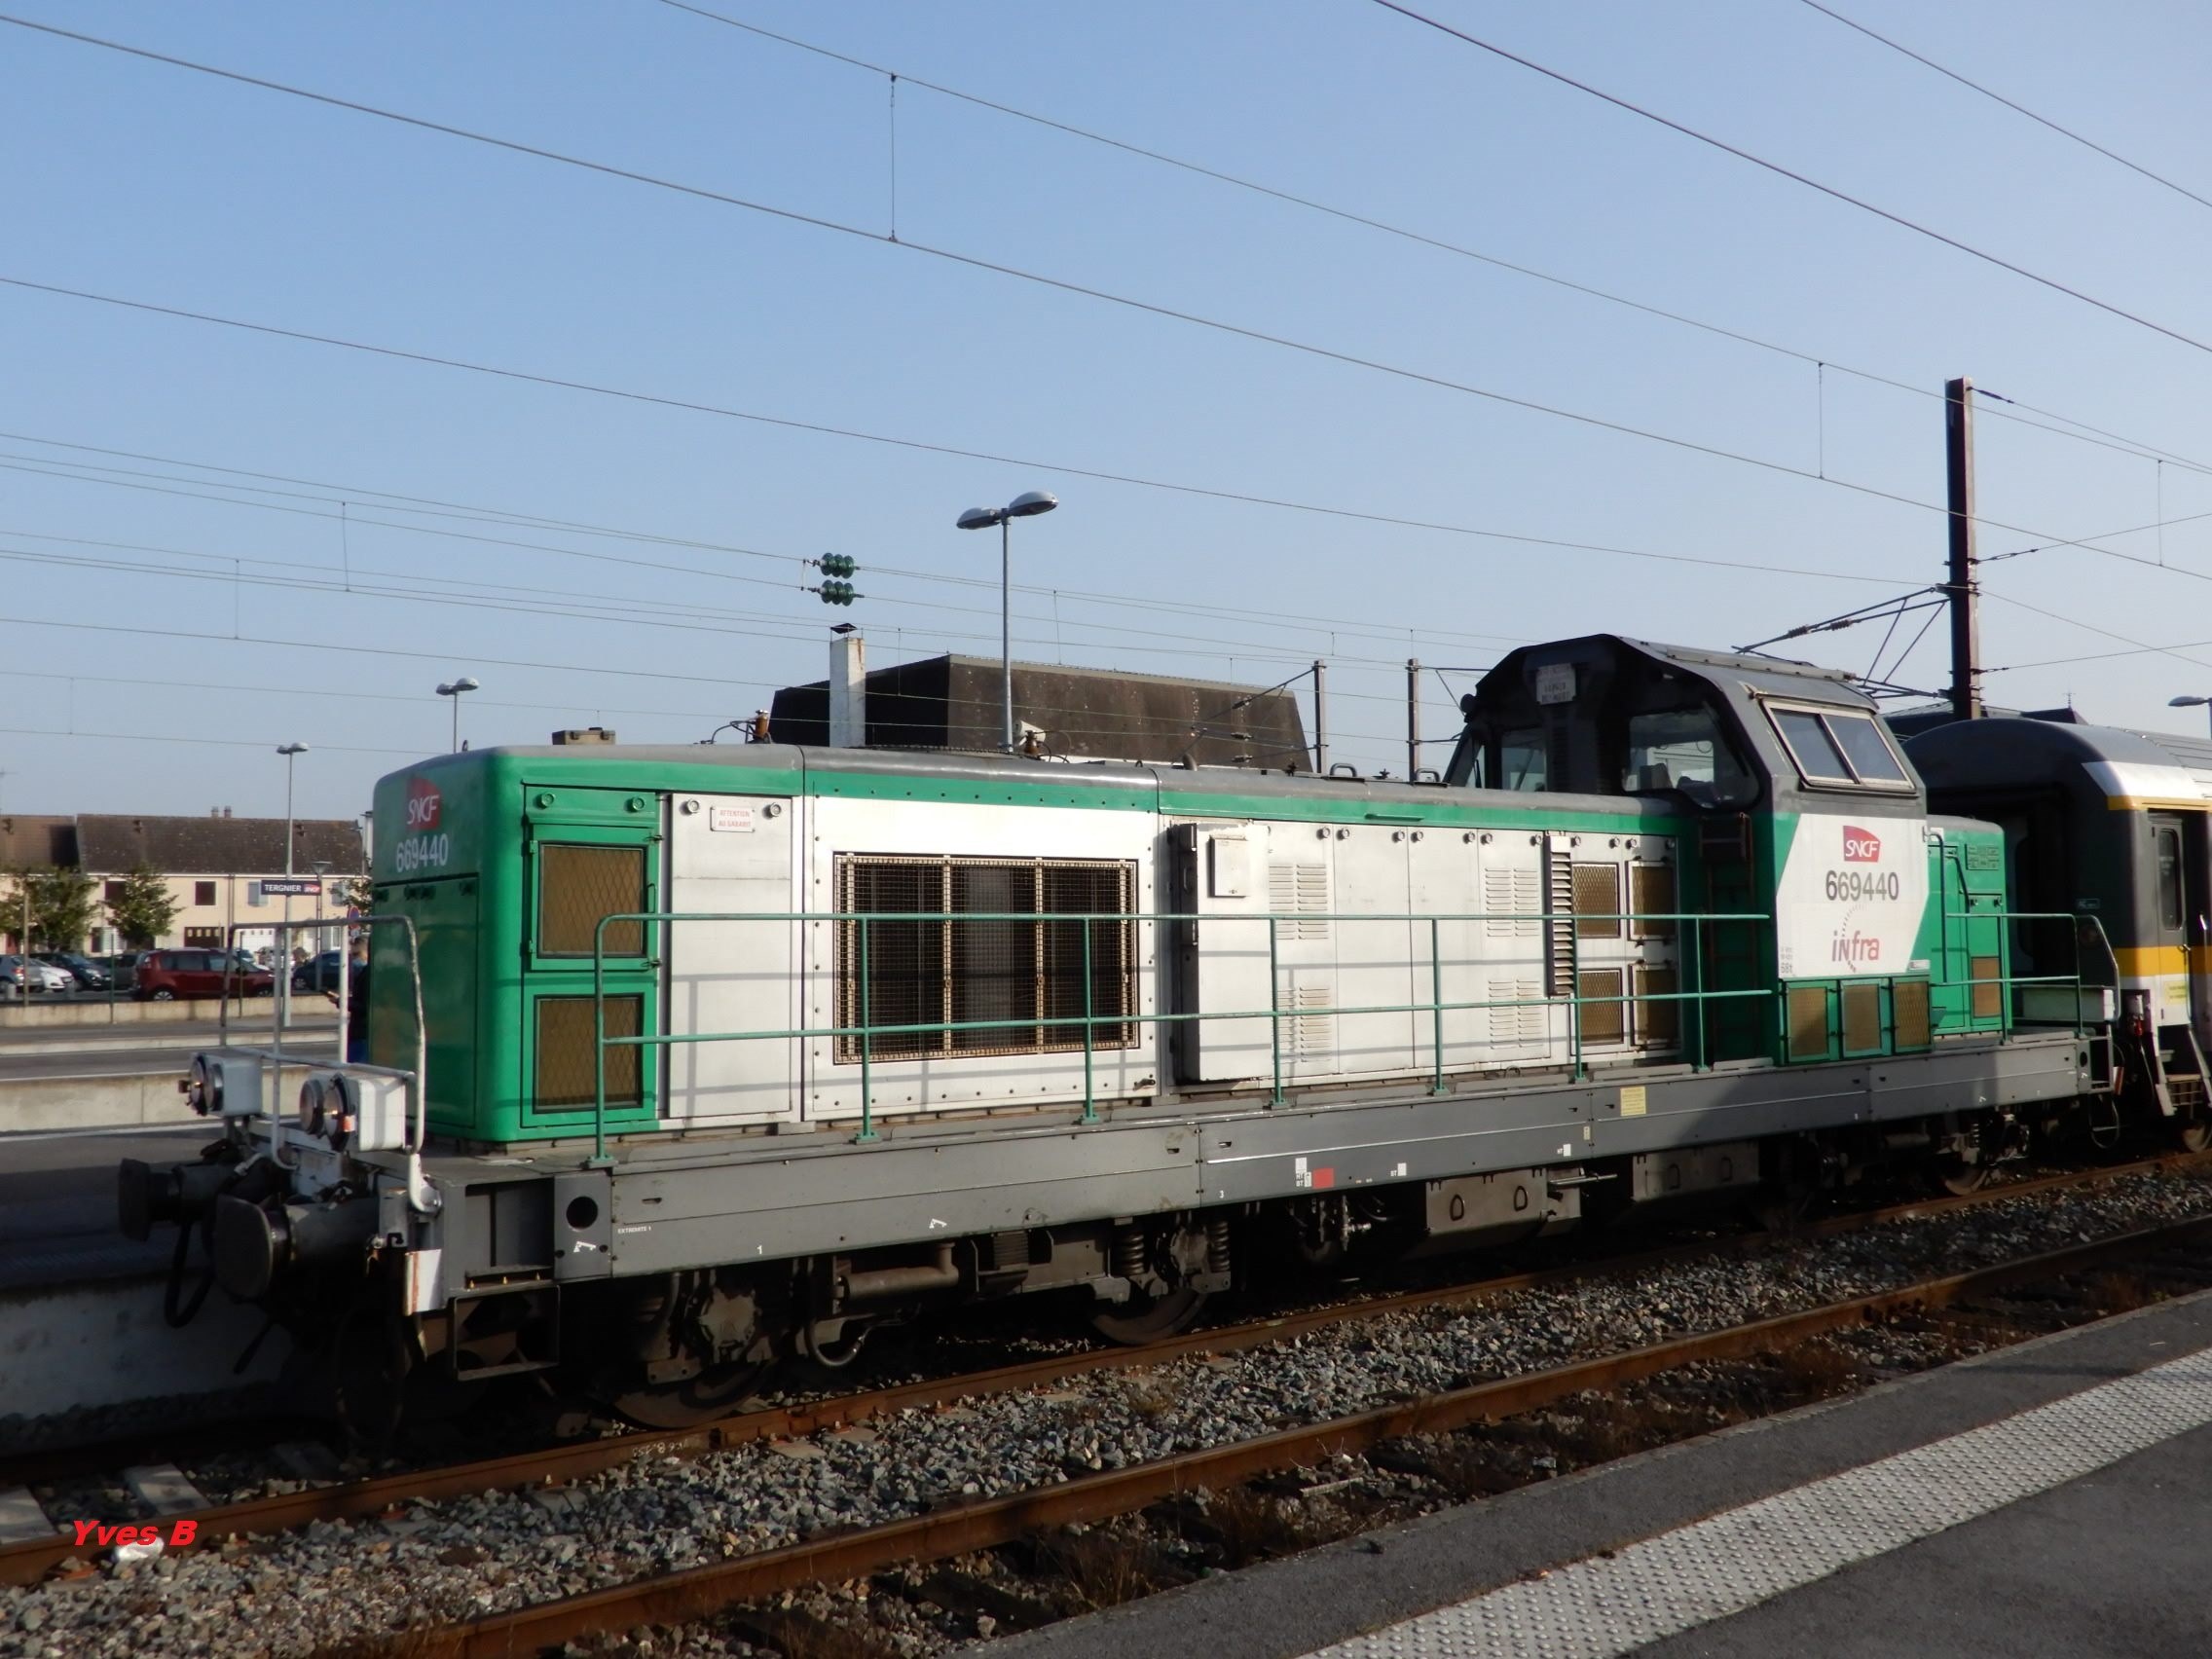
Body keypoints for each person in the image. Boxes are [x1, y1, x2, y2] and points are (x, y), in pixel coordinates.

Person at [332, 935, 370, 1064]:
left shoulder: (368, 974)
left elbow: (365, 1005)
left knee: (357, 1067)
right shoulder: (365, 972)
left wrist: (342, 1002)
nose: (354, 959)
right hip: (359, 1031)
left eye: (357, 954)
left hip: (362, 1032)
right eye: (352, 955)